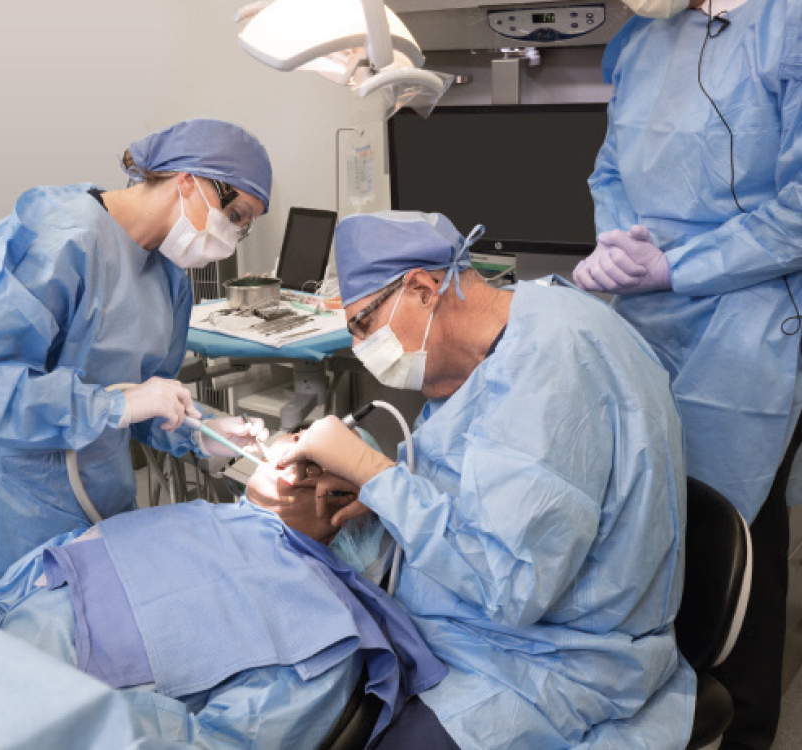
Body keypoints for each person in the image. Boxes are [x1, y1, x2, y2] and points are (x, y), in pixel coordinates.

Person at [277, 211, 695, 748]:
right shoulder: (507, 328)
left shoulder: (552, 362)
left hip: (557, 659)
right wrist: (376, 488)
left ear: (423, 289)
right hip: (476, 624)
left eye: (363, 326)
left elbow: (512, 584)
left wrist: (374, 472)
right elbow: (477, 478)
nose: (362, 349)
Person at [571, 0, 802, 745]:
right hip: (645, 318)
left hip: (750, 328)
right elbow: (611, 169)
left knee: (733, 547)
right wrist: (616, 245)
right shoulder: (641, 38)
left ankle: (741, 726)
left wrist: (679, 265)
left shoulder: (786, 28)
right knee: (646, 525)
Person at [0, 119, 273, 602]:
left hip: (103, 504)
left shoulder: (169, 278)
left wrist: (206, 431)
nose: (234, 237)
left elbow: (150, 398)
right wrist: (114, 407)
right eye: (236, 216)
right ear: (190, 182)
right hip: (13, 511)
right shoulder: (61, 239)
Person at [0, 439, 445, 750]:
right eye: (294, 435)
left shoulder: (323, 634)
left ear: (338, 506)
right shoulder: (201, 516)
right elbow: (44, 571)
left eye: (304, 453)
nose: (281, 443)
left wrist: (53, 705)